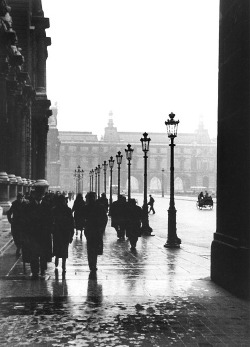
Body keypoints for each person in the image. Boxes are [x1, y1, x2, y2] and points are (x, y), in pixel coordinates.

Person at [22, 184, 53, 279]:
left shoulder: (47, 206)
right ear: (34, 195)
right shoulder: (28, 206)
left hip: (44, 234)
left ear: (43, 195)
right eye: (37, 194)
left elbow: (50, 220)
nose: (39, 196)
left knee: (43, 253)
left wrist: (49, 231)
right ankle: (35, 271)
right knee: (33, 254)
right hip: (33, 235)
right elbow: (25, 221)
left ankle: (43, 270)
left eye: (41, 195)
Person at [84, 192, 107, 273]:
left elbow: (82, 217)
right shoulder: (100, 207)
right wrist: (102, 228)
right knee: (96, 246)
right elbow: (105, 218)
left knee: (90, 247)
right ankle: (94, 264)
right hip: (97, 229)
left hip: (89, 229)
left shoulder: (86, 207)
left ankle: (91, 264)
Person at [52, 194, 74, 274]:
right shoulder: (68, 210)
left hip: (58, 232)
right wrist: (71, 233)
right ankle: (63, 265)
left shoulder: (54, 209)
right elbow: (71, 222)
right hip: (65, 232)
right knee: (64, 248)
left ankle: (57, 259)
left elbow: (51, 221)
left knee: (58, 247)